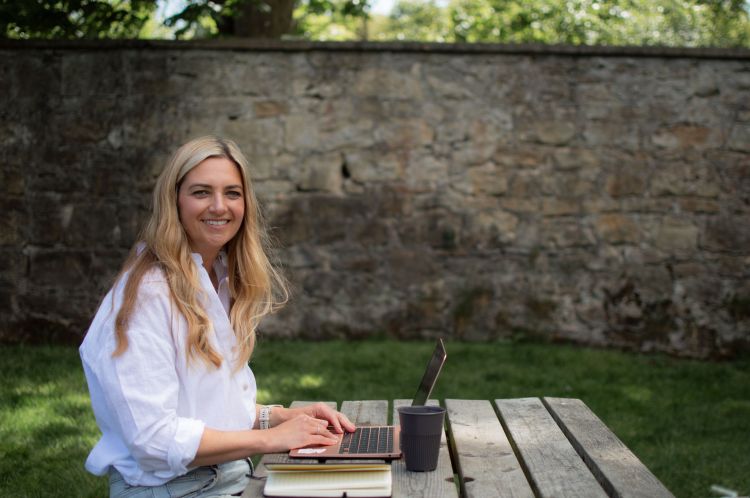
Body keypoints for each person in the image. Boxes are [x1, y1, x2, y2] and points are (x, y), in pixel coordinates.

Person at [80, 136, 355, 497]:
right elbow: (152, 438)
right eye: (201, 192)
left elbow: (204, 406)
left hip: (222, 477)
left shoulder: (215, 277)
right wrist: (269, 439)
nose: (219, 206)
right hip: (176, 489)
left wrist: (277, 417)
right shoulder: (147, 295)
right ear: (173, 201)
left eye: (232, 193)